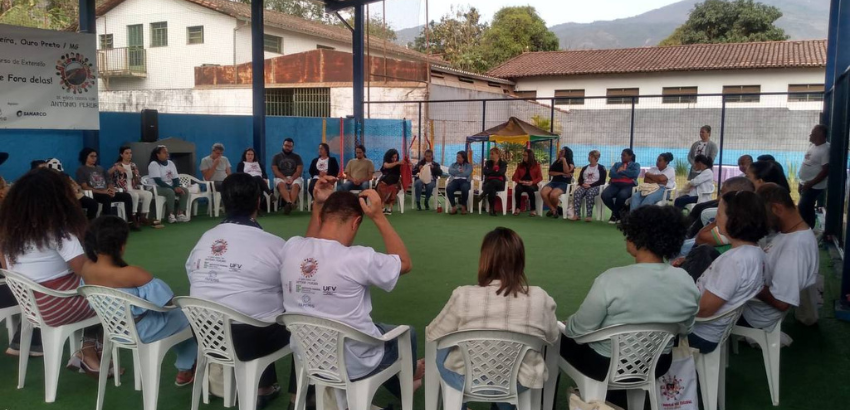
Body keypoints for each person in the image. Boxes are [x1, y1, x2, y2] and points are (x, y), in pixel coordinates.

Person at [280, 180, 423, 404]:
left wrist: (318, 204)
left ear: (320, 218)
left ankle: (408, 377)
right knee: (407, 333)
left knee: (378, 330)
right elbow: (404, 263)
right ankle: (406, 383)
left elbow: (309, 241)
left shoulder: (291, 248)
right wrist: (379, 216)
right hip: (353, 362)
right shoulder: (359, 258)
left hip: (307, 352)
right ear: (356, 223)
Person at [561, 206, 699, 404]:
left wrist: (566, 324)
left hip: (604, 365)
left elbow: (579, 330)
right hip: (657, 363)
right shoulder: (686, 280)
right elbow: (685, 329)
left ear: (637, 239)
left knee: (558, 337)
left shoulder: (611, 279)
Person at [187, 173, 294, 408]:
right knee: (299, 317)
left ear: (223, 202)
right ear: (258, 202)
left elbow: (193, 278)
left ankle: (257, 385)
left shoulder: (204, 239)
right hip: (249, 340)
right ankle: (301, 397)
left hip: (205, 334)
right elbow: (291, 288)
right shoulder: (274, 244)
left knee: (256, 305)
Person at [427, 228, 558, 409]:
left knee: (442, 348)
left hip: (466, 378)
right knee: (522, 358)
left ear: (484, 260)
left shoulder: (462, 295)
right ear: (520, 260)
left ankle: (456, 405)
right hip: (518, 381)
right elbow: (552, 337)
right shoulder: (540, 298)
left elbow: (432, 333)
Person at [0, 169, 104, 374]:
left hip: (30, 304)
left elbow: (6, 266)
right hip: (56, 306)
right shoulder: (60, 231)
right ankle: (89, 350)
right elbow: (86, 271)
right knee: (104, 291)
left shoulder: (7, 231)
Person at [81, 216, 197, 385]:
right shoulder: (132, 273)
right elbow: (167, 302)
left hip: (115, 329)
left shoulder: (87, 268)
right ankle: (185, 369)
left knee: (180, 318)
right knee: (191, 317)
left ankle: (185, 367)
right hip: (143, 330)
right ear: (121, 246)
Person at [689, 191, 769, 354]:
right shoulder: (756, 252)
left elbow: (704, 310)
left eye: (719, 214)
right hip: (714, 330)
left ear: (734, 220)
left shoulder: (734, 261)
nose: (715, 219)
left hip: (699, 334)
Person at [741, 184, 819, 329]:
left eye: (762, 216)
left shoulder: (795, 247)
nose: (760, 221)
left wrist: (747, 280)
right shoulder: (787, 233)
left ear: (777, 209)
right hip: (748, 305)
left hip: (753, 317)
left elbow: (781, 303)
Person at [76, 148, 139, 231]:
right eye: (91, 156)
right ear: (85, 157)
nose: (94, 158)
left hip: (106, 192)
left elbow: (109, 181)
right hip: (94, 193)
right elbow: (84, 187)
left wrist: (111, 189)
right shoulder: (81, 170)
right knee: (106, 197)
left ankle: (130, 222)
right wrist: (103, 192)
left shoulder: (100, 168)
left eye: (95, 156)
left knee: (127, 196)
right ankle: (107, 225)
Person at [111, 146, 159, 229]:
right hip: (123, 190)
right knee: (134, 195)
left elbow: (137, 181)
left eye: (130, 153)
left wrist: (136, 175)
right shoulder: (117, 165)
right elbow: (108, 174)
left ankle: (143, 216)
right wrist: (115, 168)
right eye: (126, 153)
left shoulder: (133, 165)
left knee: (148, 194)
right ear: (121, 155)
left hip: (132, 188)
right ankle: (133, 218)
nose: (129, 155)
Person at [797, 124, 830, 229]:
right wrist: (801, 181)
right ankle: (809, 228)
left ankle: (806, 229)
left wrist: (810, 183)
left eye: (813, 133)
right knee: (808, 207)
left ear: (820, 135)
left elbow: (826, 170)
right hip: (805, 183)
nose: (810, 135)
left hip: (814, 186)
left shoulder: (825, 149)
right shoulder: (812, 145)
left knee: (803, 207)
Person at [147, 146, 190, 223]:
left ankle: (180, 214)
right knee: (170, 192)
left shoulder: (170, 163)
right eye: (164, 152)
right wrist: (174, 188)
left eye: (167, 152)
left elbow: (175, 178)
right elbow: (158, 181)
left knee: (185, 191)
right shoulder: (154, 164)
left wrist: (177, 186)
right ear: (158, 154)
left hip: (169, 186)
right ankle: (171, 215)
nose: (167, 154)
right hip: (155, 188)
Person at [601, 149, 640, 224]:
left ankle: (614, 215)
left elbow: (634, 174)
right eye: (621, 155)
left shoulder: (635, 165)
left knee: (622, 195)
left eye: (624, 155)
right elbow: (611, 174)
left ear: (630, 156)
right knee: (605, 195)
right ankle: (619, 214)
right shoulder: (617, 164)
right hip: (615, 184)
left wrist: (620, 172)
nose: (622, 157)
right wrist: (625, 175)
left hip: (628, 185)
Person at [570, 150, 607, 222]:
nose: (589, 158)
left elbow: (602, 181)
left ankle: (589, 216)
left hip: (596, 186)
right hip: (584, 185)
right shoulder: (585, 168)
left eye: (591, 156)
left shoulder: (601, 168)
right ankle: (577, 215)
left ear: (596, 158)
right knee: (577, 192)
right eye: (589, 156)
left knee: (590, 193)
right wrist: (582, 184)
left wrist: (590, 185)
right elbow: (580, 179)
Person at [540, 147, 575, 218]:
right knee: (543, 192)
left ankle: (553, 210)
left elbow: (566, 171)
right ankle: (553, 209)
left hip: (564, 184)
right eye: (560, 151)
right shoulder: (556, 162)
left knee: (553, 195)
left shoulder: (571, 164)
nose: (560, 152)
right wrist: (561, 174)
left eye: (562, 151)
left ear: (567, 153)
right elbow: (550, 172)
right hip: (554, 182)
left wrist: (564, 161)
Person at [271, 138, 304, 215]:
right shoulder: (276, 157)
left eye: (289, 146)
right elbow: (275, 170)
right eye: (286, 145)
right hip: (280, 177)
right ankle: (290, 203)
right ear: (283, 145)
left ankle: (288, 205)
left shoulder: (297, 157)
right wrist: (284, 178)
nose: (287, 147)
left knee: (295, 185)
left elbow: (299, 171)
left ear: (292, 147)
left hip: (294, 177)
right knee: (281, 184)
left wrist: (292, 178)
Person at [474, 147, 508, 217]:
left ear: (498, 154)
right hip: (489, 184)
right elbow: (485, 172)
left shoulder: (503, 163)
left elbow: (501, 173)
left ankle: (482, 195)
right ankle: (492, 209)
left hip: (500, 184)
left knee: (494, 181)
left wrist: (491, 173)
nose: (490, 155)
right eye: (490, 154)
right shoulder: (488, 163)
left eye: (492, 154)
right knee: (492, 189)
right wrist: (494, 171)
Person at [511, 149, 543, 216]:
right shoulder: (520, 165)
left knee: (530, 189)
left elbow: (540, 177)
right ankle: (518, 208)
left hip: (532, 184)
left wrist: (532, 182)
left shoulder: (536, 165)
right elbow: (514, 177)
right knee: (518, 189)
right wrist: (520, 181)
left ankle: (533, 209)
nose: (524, 157)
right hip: (522, 183)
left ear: (530, 156)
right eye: (523, 155)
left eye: (525, 155)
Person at [376, 149, 404, 215]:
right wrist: (397, 162)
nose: (394, 159)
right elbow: (387, 166)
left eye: (395, 157)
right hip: (385, 181)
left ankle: (390, 208)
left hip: (395, 182)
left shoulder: (398, 165)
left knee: (394, 187)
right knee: (380, 186)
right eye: (393, 157)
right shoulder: (386, 163)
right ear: (389, 157)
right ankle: (382, 207)